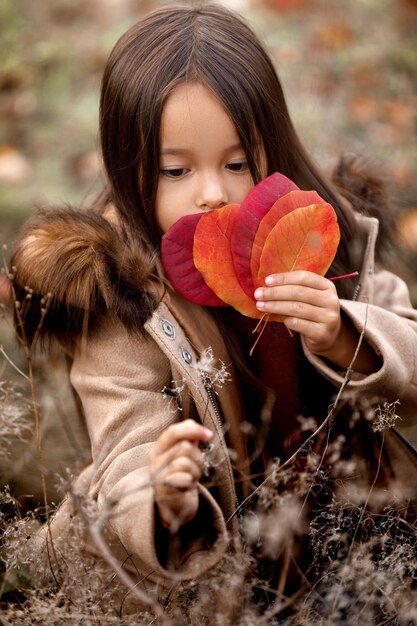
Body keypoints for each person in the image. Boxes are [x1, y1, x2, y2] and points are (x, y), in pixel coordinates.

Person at [9, 3, 417, 621]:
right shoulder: (124, 297)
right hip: (223, 567)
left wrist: (342, 333)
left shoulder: (314, 233)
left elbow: (411, 360)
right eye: (176, 169)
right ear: (131, 172)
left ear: (270, 147)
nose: (211, 192)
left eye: (237, 163)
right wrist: (162, 497)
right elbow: (126, 443)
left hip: (349, 526)